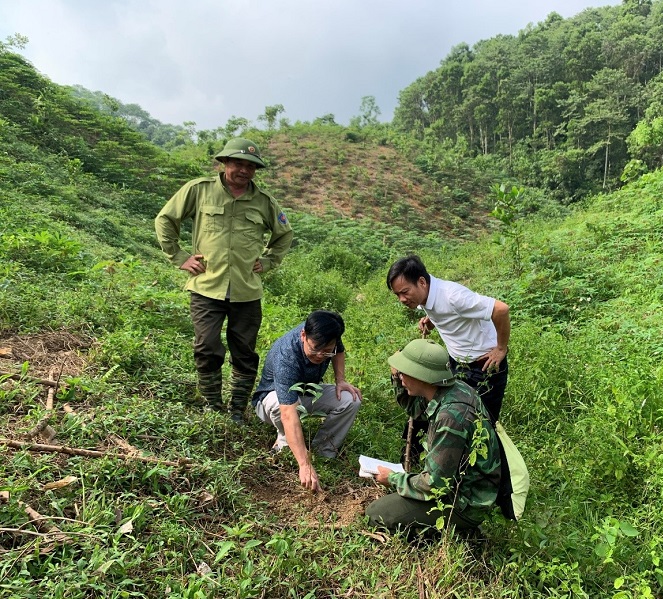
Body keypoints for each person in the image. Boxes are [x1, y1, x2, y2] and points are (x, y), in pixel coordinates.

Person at [155, 138, 293, 423]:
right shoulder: (199, 190)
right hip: (206, 287)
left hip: (246, 291)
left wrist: (267, 262)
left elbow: (284, 235)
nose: (244, 170)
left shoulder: (264, 202)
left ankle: (237, 410)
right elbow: (166, 219)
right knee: (206, 346)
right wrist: (179, 256)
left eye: (251, 166)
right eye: (238, 163)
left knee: (244, 351)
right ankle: (212, 405)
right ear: (225, 163)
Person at [366, 338, 501, 533]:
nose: (401, 377)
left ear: (423, 376)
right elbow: (415, 409)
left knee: (377, 513)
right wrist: (396, 377)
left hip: (465, 503)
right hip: (463, 488)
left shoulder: (450, 418)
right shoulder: (455, 389)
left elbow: (436, 485)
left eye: (405, 373)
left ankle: (463, 533)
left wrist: (394, 478)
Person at [386, 255, 510, 424]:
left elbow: (501, 309)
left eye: (405, 292)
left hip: (484, 366)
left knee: (482, 424)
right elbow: (445, 311)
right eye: (397, 294)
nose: (401, 299)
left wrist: (501, 348)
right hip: (455, 364)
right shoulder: (425, 295)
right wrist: (432, 321)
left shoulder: (453, 296)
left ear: (422, 282)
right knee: (452, 417)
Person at [252, 310, 362, 491]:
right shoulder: (287, 355)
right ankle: (286, 442)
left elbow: (339, 351)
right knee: (289, 408)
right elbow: (288, 412)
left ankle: (323, 452)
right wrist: (304, 465)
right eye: (315, 349)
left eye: (326, 351)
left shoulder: (328, 334)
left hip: (307, 392)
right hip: (272, 400)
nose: (320, 355)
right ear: (303, 335)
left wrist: (340, 380)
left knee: (351, 400)